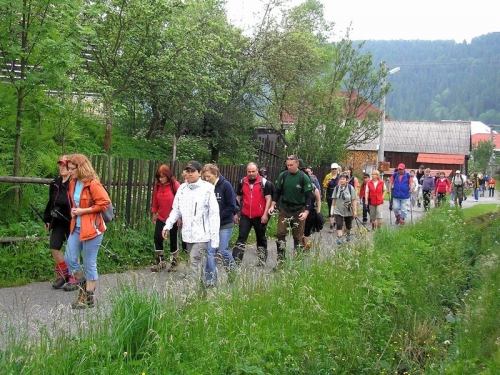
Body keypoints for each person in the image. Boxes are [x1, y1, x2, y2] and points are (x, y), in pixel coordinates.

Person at [162, 161, 220, 286]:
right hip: (188, 234)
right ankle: (201, 292)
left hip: (202, 234)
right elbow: (176, 210)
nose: (190, 174)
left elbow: (214, 214)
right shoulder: (182, 189)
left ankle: (192, 294)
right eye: (187, 171)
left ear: (199, 173)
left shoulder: (207, 189)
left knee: (194, 261)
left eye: (192, 171)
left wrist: (215, 240)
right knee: (194, 262)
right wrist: (167, 225)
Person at [64, 154, 111, 309]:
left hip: (93, 228)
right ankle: (84, 282)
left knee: (89, 262)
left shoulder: (93, 184)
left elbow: (104, 202)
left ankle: (87, 298)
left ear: (80, 168)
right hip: (76, 227)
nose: (69, 171)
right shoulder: (73, 183)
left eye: (72, 169)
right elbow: (74, 202)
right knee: (69, 258)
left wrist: (83, 211)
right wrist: (74, 211)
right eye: (68, 168)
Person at [268, 155, 313, 264]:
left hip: (299, 209)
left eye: (291, 165)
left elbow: (309, 196)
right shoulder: (283, 175)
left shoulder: (303, 177)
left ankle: (297, 261)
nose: (289, 167)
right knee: (280, 234)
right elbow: (277, 192)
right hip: (284, 209)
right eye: (287, 165)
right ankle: (280, 261)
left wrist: (306, 212)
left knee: (297, 237)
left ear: (297, 164)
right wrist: (272, 205)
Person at [43, 156, 78, 291]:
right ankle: (63, 274)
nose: (62, 168)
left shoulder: (74, 183)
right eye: (60, 165)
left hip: (71, 221)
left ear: (70, 169)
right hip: (58, 221)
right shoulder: (55, 183)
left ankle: (75, 277)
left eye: (64, 166)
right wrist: (48, 219)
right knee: (54, 247)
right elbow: (50, 202)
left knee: (72, 250)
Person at [202, 163, 238, 286]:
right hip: (211, 226)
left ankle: (233, 273)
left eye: (208, 176)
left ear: (215, 174)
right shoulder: (206, 187)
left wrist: (217, 217)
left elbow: (232, 206)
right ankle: (210, 279)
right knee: (210, 251)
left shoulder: (225, 186)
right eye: (204, 177)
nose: (206, 179)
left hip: (225, 224)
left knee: (222, 251)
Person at [232, 162, 273, 267]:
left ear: (257, 170)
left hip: (260, 215)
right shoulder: (242, 182)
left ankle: (262, 261)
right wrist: (236, 212)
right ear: (246, 171)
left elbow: (268, 199)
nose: (251, 173)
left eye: (253, 171)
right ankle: (236, 262)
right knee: (241, 237)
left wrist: (265, 215)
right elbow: (238, 197)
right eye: (249, 171)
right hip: (246, 215)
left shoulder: (264, 183)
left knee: (260, 238)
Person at [150, 164, 181, 272]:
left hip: (173, 218)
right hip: (162, 216)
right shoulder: (158, 185)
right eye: (159, 176)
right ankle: (160, 261)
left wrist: (180, 217)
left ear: (168, 175)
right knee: (157, 238)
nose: (161, 179)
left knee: (173, 239)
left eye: (163, 176)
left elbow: (182, 201)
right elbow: (155, 200)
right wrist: (154, 213)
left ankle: (175, 262)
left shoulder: (175, 185)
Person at [331, 173, 358, 244]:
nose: (342, 180)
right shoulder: (336, 188)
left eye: (343, 179)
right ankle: (339, 238)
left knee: (348, 225)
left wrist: (355, 210)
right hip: (338, 209)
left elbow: (353, 200)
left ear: (347, 180)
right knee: (339, 224)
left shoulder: (350, 188)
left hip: (348, 209)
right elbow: (334, 200)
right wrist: (332, 210)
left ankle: (348, 234)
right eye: (341, 179)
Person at [303, 168, 322, 248]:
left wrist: (318, 211)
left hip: (311, 211)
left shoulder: (314, 188)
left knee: (307, 230)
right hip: (300, 210)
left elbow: (318, 200)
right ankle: (301, 246)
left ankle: (307, 247)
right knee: (300, 230)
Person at [322, 163, 340, 233]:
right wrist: (327, 182)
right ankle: (331, 225)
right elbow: (324, 184)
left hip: (338, 195)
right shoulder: (328, 176)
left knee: (337, 209)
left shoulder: (340, 176)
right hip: (330, 194)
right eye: (333, 169)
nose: (334, 170)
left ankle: (337, 222)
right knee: (331, 209)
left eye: (335, 169)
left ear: (337, 169)